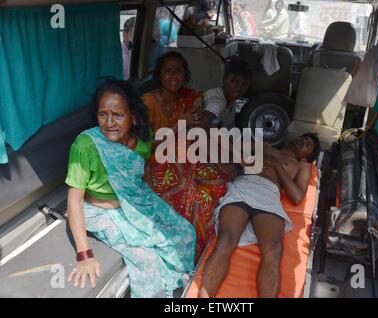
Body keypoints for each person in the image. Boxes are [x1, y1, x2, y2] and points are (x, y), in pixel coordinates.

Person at [65, 79, 196, 298]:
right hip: (103, 211)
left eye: (118, 115)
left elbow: (142, 171)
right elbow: (74, 202)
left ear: (133, 117)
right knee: (147, 260)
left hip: (137, 202)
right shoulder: (86, 145)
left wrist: (155, 204)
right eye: (103, 114)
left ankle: (175, 288)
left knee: (185, 233)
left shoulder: (143, 140)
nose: (109, 123)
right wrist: (85, 255)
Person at [199, 133, 321, 298]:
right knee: (226, 239)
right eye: (303, 137)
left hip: (269, 193)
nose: (303, 140)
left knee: (274, 249)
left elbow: (297, 196)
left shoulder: (302, 167)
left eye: (308, 145)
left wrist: (277, 165)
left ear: (307, 157)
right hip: (244, 185)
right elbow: (228, 144)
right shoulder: (264, 147)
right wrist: (242, 157)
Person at [141, 52, 231, 261]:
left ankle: (210, 248)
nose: (174, 76)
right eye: (168, 71)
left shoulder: (189, 99)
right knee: (198, 198)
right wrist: (180, 123)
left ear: (185, 75)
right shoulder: (147, 102)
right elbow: (145, 146)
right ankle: (189, 254)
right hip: (156, 163)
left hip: (185, 159)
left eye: (179, 72)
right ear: (159, 75)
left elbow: (214, 99)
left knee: (221, 183)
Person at [199, 57, 252, 131]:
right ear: (224, 79)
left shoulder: (225, 95)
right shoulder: (218, 102)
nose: (239, 87)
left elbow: (218, 123)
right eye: (234, 81)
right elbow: (200, 130)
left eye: (244, 84)